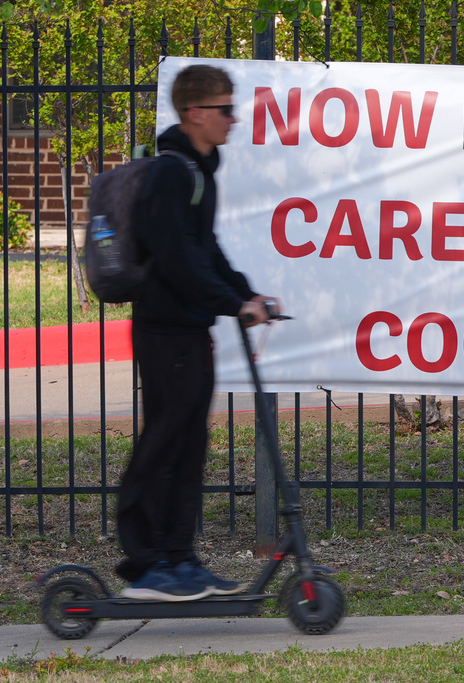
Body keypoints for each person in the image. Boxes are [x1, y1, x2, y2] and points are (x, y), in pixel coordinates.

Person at [115, 64, 279, 601]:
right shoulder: (169, 173)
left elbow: (206, 250)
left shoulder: (199, 170)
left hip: (189, 329)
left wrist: (246, 295)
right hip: (164, 331)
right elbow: (177, 258)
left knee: (189, 442)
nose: (234, 120)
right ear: (194, 114)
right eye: (224, 109)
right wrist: (231, 302)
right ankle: (145, 564)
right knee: (165, 438)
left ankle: (180, 558)